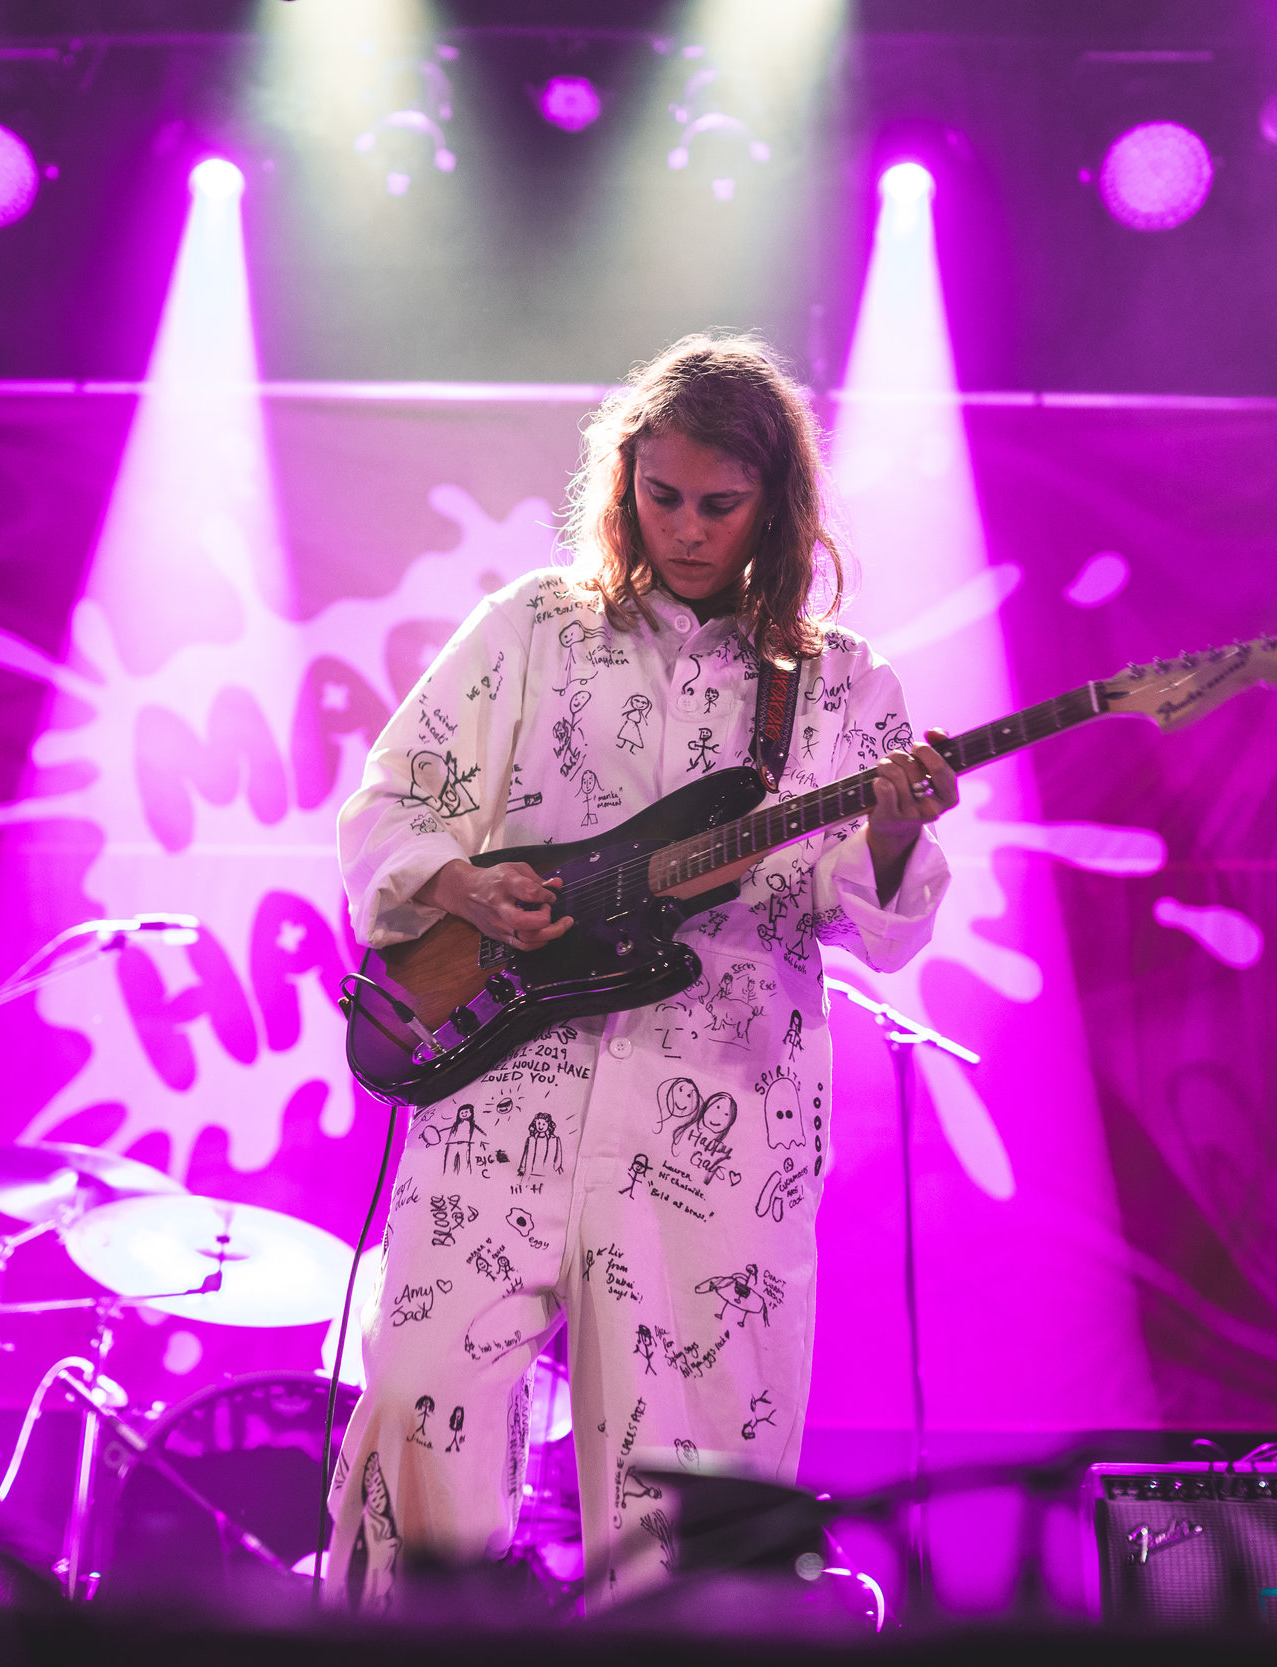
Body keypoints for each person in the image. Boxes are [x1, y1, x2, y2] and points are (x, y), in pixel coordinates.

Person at [328, 333, 959, 1608]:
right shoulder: (529, 630)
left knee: (699, 1464)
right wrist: (456, 884)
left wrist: (893, 829)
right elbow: (391, 805)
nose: (684, 527)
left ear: (774, 506)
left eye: (718, 504)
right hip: (502, 1083)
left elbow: (876, 922)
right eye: (659, 495)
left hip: (720, 1114)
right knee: (416, 1402)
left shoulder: (842, 682)